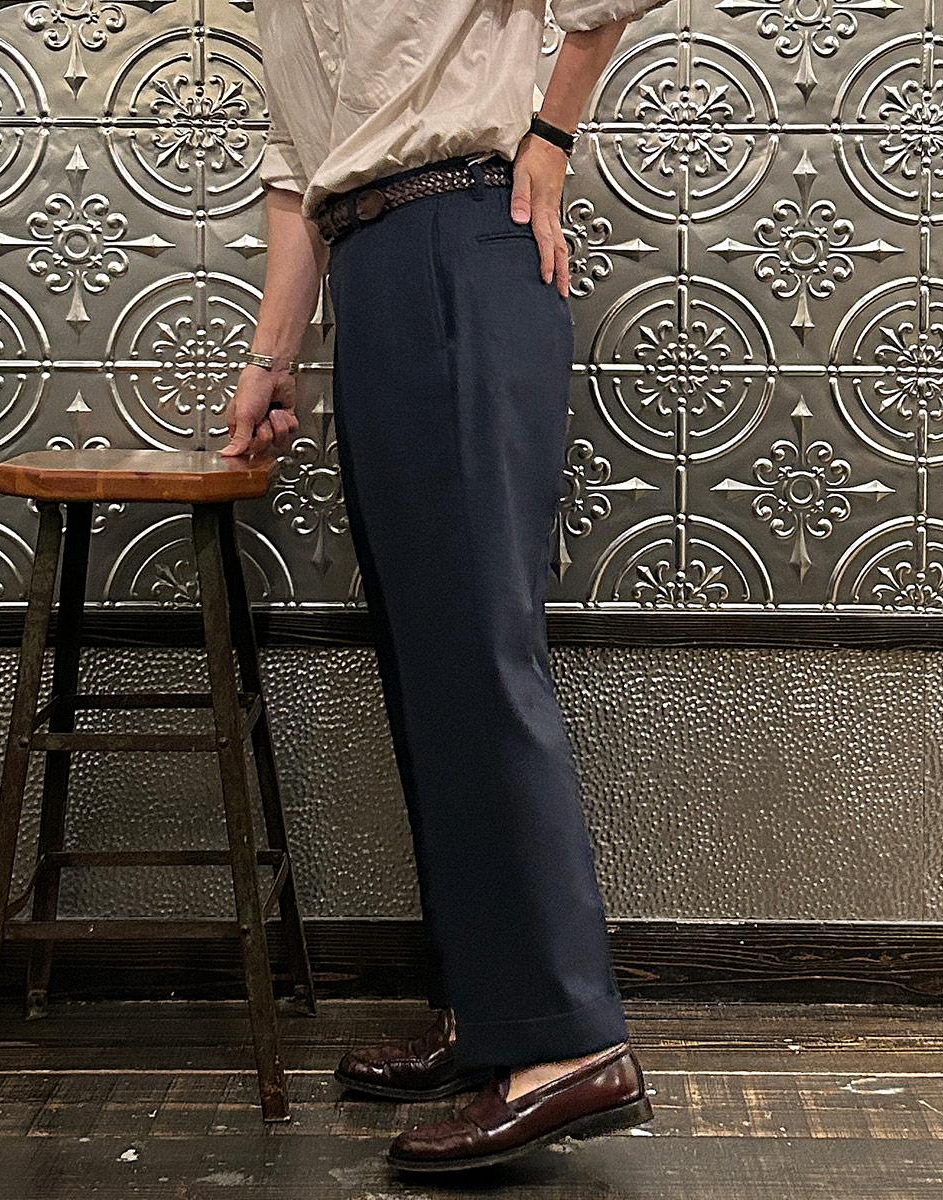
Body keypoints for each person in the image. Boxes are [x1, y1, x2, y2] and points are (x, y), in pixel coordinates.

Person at [223, 0, 672, 1175]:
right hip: (373, 268)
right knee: (428, 660)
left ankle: (568, 1046)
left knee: (476, 648)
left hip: (463, 240)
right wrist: (273, 356)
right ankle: (490, 1009)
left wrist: (552, 139)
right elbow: (302, 169)